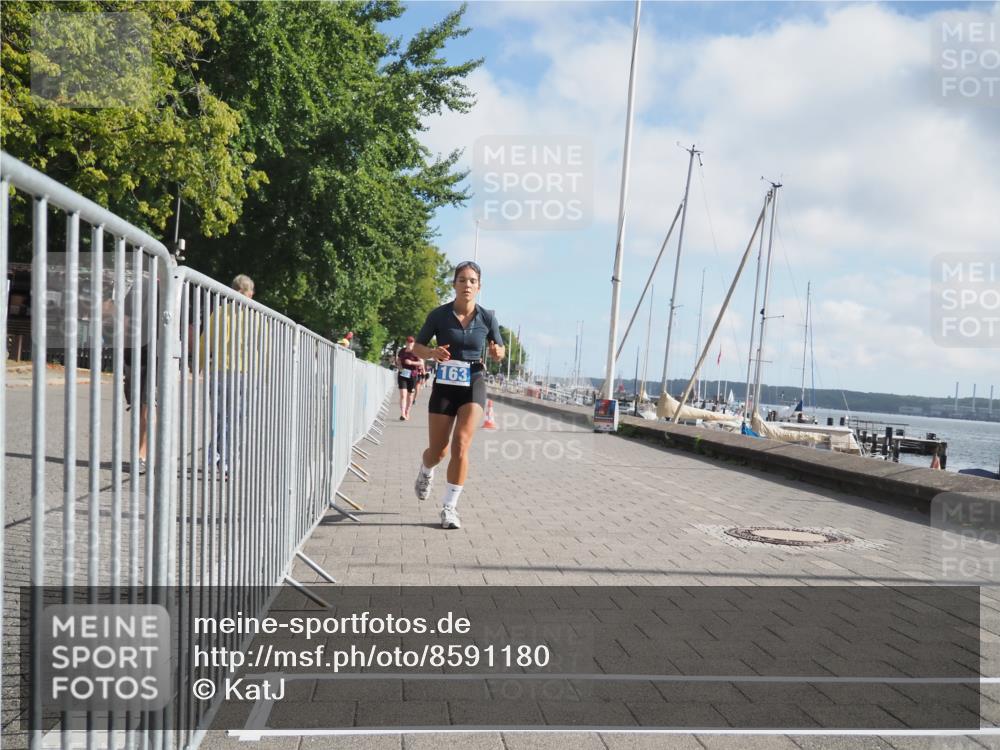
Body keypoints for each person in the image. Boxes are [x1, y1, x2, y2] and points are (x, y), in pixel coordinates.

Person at [410, 261, 504, 529]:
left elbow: (499, 348)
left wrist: (499, 353)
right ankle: (426, 469)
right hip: (445, 384)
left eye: (472, 281)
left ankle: (449, 508)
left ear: (479, 286)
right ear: (454, 284)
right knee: (438, 452)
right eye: (462, 280)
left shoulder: (487, 317)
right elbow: (418, 346)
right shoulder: (439, 315)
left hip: (474, 380)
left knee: (461, 444)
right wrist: (431, 353)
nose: (467, 285)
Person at [396, 336, 423, 420]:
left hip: (413, 375)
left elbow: (421, 363)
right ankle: (403, 413)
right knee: (403, 395)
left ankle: (407, 412)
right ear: (405, 343)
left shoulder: (416, 352)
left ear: (413, 343)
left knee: (410, 396)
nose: (409, 343)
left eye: (411, 342)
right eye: (408, 342)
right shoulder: (402, 351)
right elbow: (399, 360)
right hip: (402, 374)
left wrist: (411, 362)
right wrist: (400, 366)